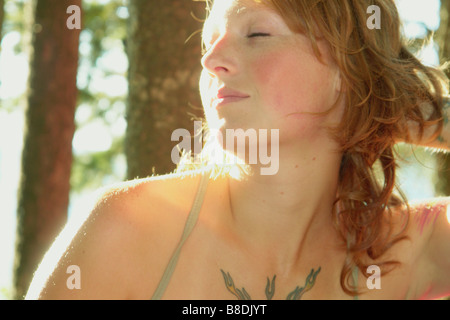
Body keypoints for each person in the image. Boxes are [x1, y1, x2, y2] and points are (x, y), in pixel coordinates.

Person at [26, 0, 449, 300]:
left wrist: (389, 102)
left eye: (257, 34)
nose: (211, 60)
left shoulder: (405, 252)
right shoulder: (129, 227)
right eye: (210, 40)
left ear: (347, 68)